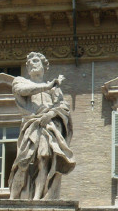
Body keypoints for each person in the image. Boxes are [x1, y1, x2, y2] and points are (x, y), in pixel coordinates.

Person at [9, 52, 75, 200]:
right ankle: (13, 198)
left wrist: (50, 115)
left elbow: (63, 107)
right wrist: (48, 85)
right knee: (23, 161)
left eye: (36, 60)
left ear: (44, 66)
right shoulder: (20, 81)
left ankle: (38, 197)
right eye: (30, 62)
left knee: (44, 158)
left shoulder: (54, 88)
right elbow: (22, 91)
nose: (33, 63)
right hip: (30, 126)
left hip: (47, 127)